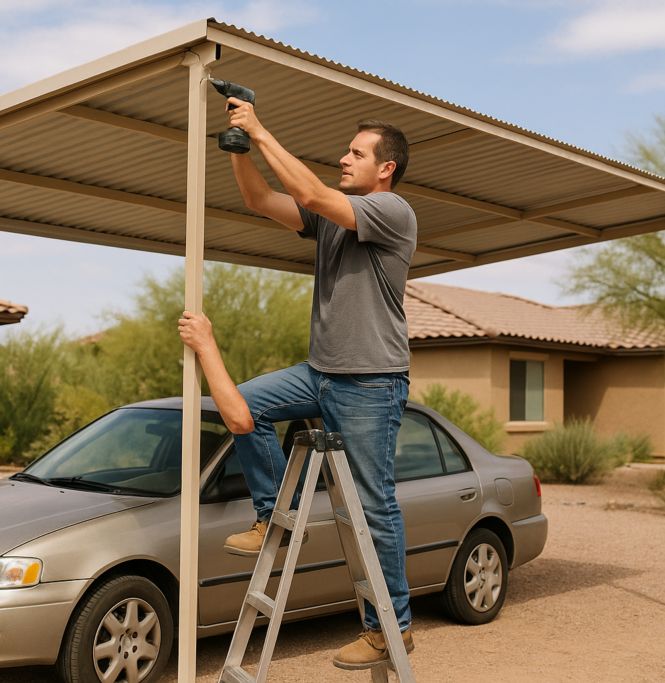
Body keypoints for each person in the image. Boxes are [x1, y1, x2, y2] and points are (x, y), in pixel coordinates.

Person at [184, 97, 418, 671]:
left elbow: (313, 195)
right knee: (244, 408)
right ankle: (275, 520)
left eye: (356, 153)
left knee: (373, 505)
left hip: (370, 382)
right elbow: (260, 199)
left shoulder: (392, 211)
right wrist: (240, 149)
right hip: (321, 372)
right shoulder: (333, 221)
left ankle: (392, 630)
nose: (345, 157)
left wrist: (260, 129)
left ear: (385, 168)